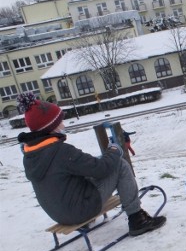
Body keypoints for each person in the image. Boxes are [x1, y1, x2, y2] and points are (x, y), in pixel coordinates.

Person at [16, 93, 166, 236]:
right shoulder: (61, 151)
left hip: (58, 213)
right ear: (51, 126)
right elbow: (101, 169)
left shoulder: (31, 155)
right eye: (59, 120)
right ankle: (137, 219)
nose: (62, 124)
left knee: (90, 171)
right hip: (79, 211)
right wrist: (114, 150)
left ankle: (95, 219)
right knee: (119, 164)